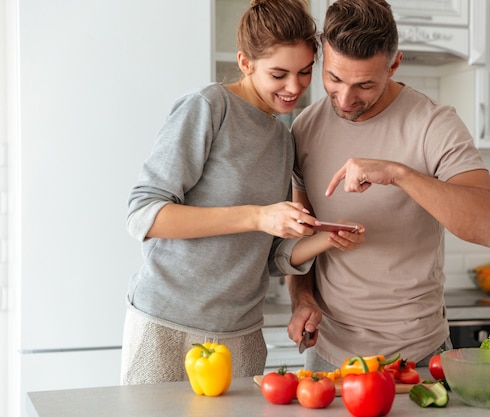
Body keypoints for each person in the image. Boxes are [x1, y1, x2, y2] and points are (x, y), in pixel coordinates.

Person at [121, 0, 364, 385]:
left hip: (243, 333)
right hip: (168, 324)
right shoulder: (209, 107)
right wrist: (258, 215)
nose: (294, 87)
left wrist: (325, 239)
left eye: (304, 72)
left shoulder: (283, 140)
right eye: (279, 74)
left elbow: (266, 257)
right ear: (245, 62)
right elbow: (145, 215)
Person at [286, 0, 490, 372]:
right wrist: (303, 298)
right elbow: (303, 234)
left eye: (364, 84)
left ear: (394, 65)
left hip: (418, 353)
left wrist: (399, 174)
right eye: (334, 78)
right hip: (328, 353)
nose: (344, 99)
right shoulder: (305, 128)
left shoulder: (433, 125)